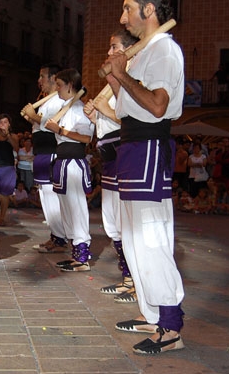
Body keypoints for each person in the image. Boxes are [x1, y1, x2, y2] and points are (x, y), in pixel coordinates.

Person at [104, 0, 185, 354]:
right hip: (132, 147)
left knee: (151, 239)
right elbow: (128, 107)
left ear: (149, 10)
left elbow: (156, 106)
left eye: (127, 9)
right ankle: (151, 313)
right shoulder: (142, 54)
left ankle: (170, 326)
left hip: (151, 147)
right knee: (135, 241)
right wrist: (114, 79)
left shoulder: (165, 50)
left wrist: (122, 76)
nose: (123, 17)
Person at [84, 27, 139, 302]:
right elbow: (109, 124)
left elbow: (137, 119)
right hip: (108, 157)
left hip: (123, 156)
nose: (108, 52)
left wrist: (106, 111)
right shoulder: (113, 82)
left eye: (114, 47)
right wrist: (96, 118)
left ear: (127, 51)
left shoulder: (134, 79)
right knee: (112, 222)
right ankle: (126, 277)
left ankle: (136, 282)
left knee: (126, 221)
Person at [44, 68, 94, 272]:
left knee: (77, 208)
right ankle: (76, 253)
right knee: (66, 208)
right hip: (62, 161)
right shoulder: (64, 108)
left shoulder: (80, 108)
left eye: (59, 85)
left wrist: (61, 131)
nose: (56, 88)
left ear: (70, 86)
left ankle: (83, 255)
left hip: (74, 162)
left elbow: (87, 138)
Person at [20, 63, 67, 253]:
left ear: (54, 79)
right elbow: (40, 124)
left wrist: (34, 116)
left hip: (51, 151)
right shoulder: (47, 100)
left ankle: (60, 238)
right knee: (45, 196)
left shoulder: (59, 99)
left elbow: (53, 124)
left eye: (42, 77)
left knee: (52, 196)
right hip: (41, 152)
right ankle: (55, 236)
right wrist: (31, 119)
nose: (39, 81)